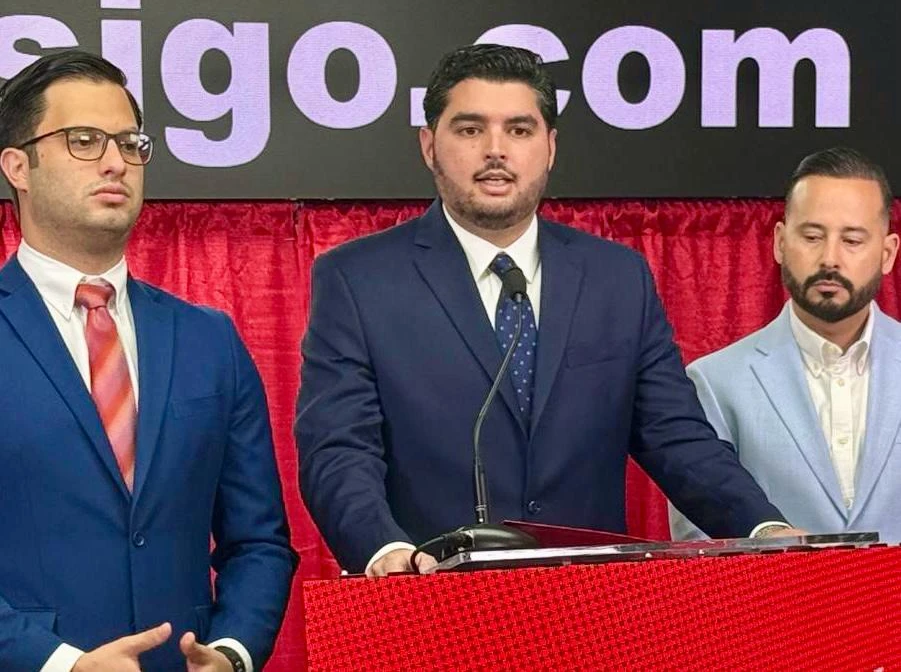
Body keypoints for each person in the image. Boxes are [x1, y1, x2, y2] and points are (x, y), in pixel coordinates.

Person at [295, 43, 792, 578]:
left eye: (519, 129)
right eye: (469, 129)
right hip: (424, 605)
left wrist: (764, 527)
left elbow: (676, 435)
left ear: (550, 147)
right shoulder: (359, 280)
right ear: (428, 146)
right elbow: (337, 447)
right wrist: (384, 549)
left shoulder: (616, 280)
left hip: (586, 613)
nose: (495, 150)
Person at [0, 51, 296, 671]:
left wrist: (233, 651)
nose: (116, 162)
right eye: (84, 140)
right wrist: (59, 663)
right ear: (17, 165)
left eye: (131, 143)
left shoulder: (209, 339)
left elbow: (259, 540)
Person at [670, 147, 901, 541]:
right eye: (812, 236)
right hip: (772, 602)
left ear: (887, 253)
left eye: (852, 240)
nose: (830, 258)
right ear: (780, 242)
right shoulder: (715, 381)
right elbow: (700, 539)